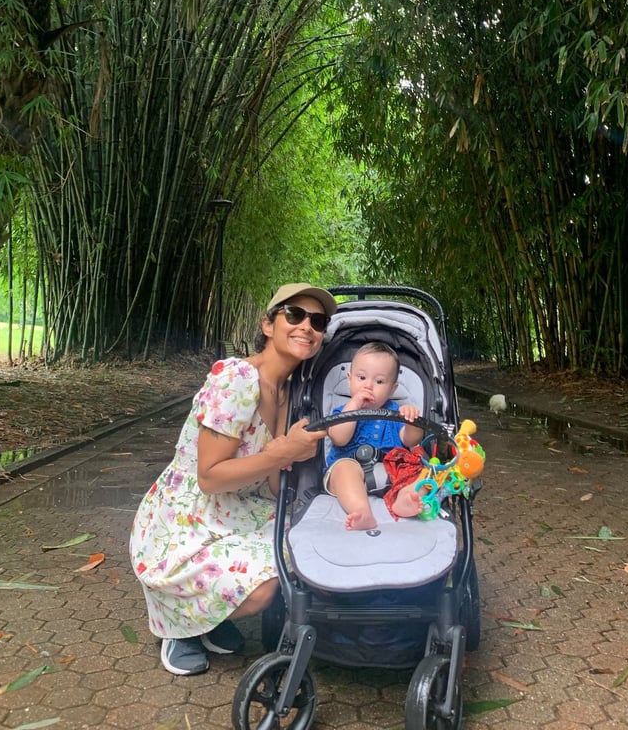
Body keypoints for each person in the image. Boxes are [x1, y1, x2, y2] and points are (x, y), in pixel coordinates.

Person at [129, 282, 336, 676]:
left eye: (318, 321)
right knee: (263, 590)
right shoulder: (237, 378)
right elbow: (208, 477)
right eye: (294, 315)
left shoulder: (293, 392)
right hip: (189, 517)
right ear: (268, 324)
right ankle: (180, 628)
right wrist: (282, 452)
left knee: (309, 548)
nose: (306, 327)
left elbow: (274, 482)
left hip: (240, 507)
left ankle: (209, 617)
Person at [323, 341, 425, 530]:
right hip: (351, 468)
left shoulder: (396, 412)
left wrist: (413, 421)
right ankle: (362, 511)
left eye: (379, 382)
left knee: (424, 473)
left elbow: (411, 440)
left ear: (392, 389)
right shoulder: (342, 411)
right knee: (343, 469)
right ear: (349, 379)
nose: (368, 386)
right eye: (361, 377)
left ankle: (404, 500)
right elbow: (339, 438)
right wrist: (354, 404)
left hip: (392, 473)